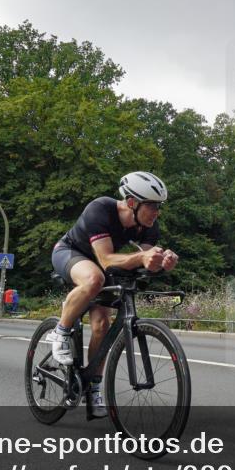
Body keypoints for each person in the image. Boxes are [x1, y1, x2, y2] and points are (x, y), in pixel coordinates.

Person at [47, 172, 178, 417]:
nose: (156, 212)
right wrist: (141, 257)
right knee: (94, 278)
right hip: (71, 252)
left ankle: (93, 386)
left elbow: (146, 262)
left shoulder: (149, 226)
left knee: (101, 324)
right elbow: (107, 260)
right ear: (131, 202)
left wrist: (162, 262)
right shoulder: (100, 209)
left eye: (158, 206)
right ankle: (60, 332)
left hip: (100, 262)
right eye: (151, 205)